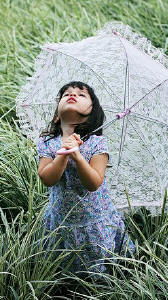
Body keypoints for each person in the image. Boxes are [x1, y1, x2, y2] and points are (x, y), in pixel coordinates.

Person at [36, 81, 135, 279]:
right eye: (66, 94)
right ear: (57, 115)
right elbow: (47, 178)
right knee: (63, 264)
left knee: (97, 265)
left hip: (94, 218)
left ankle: (99, 283)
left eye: (82, 95)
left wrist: (78, 156)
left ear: (91, 113)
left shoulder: (97, 143)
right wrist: (63, 153)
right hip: (61, 217)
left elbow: (94, 182)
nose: (72, 95)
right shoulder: (47, 143)